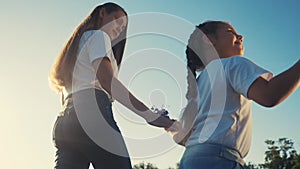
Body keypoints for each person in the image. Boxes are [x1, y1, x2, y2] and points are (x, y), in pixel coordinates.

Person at [49, 2, 178, 169]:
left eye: (123, 26)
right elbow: (107, 81)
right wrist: (150, 116)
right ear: (102, 13)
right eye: (117, 20)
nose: (119, 28)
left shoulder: (76, 47)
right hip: (93, 113)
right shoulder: (98, 36)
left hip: (65, 123)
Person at [171, 21, 300, 169]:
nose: (241, 37)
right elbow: (269, 95)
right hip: (220, 159)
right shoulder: (232, 64)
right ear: (208, 39)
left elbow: (184, 136)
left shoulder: (198, 84)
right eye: (231, 32)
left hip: (190, 158)